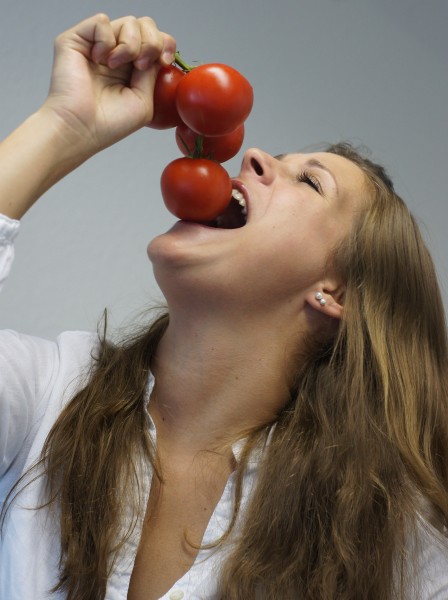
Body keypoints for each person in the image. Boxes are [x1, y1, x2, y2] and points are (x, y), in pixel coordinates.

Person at [0, 13, 448, 600]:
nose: (253, 154)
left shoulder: (399, 539)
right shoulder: (47, 397)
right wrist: (62, 126)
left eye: (309, 182)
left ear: (334, 295)